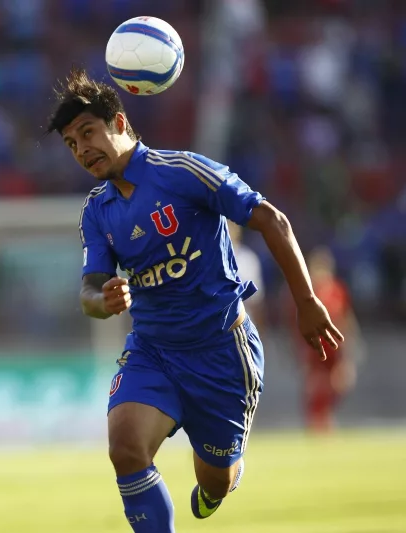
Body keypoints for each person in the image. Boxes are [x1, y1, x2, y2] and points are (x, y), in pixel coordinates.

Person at [47, 68, 343, 532]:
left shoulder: (183, 171)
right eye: (71, 144)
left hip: (222, 351)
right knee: (125, 447)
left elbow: (271, 220)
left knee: (215, 483)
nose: (82, 150)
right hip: (154, 350)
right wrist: (101, 299)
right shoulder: (97, 211)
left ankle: (220, 480)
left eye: (88, 133)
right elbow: (89, 290)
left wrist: (306, 301)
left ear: (120, 124)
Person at [292, 246, 362, 433]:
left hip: (335, 350)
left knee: (338, 387)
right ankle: (319, 428)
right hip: (314, 350)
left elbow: (346, 320)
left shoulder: (338, 290)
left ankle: (324, 424)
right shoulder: (307, 295)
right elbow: (297, 326)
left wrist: (349, 353)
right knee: (315, 391)